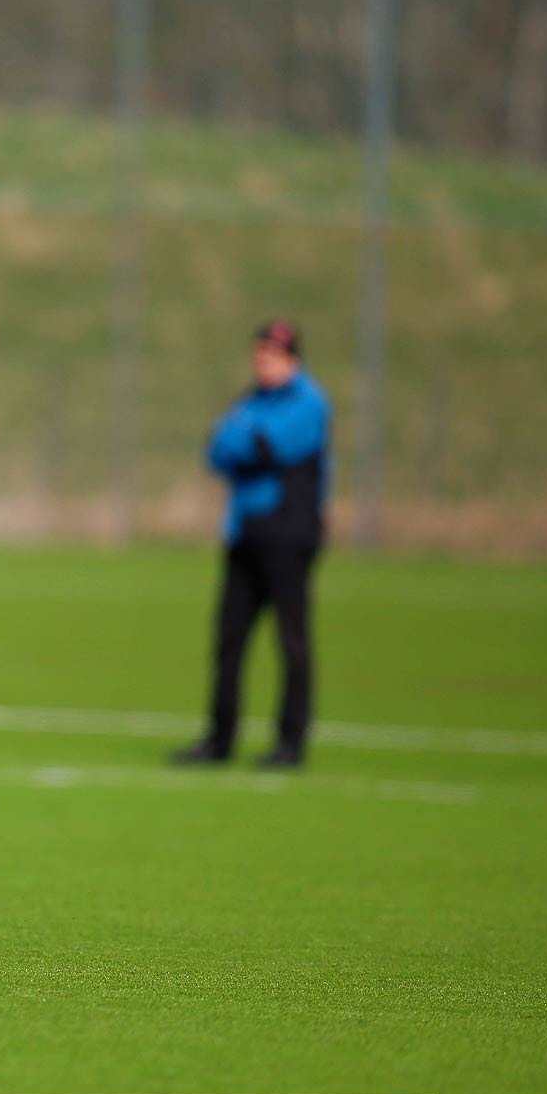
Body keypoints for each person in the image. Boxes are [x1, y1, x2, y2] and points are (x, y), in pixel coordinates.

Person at [174, 320, 330, 769]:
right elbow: (217, 449)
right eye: (260, 355)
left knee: (291, 641)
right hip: (244, 534)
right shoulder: (250, 400)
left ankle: (290, 742)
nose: (265, 363)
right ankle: (220, 739)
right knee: (228, 640)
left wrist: (243, 439)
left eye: (274, 356)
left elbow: (268, 448)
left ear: (293, 360)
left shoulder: (309, 402)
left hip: (288, 535)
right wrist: (241, 440)